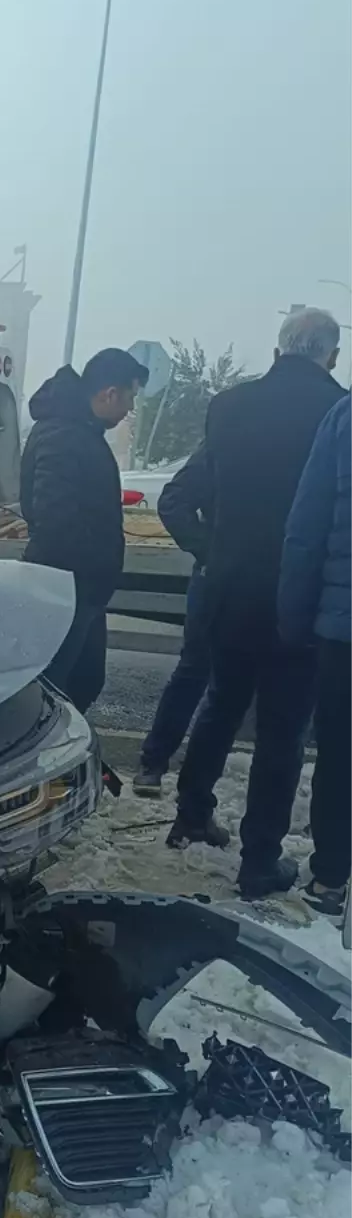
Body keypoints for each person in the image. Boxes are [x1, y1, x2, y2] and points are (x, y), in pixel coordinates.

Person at [168, 308, 344, 898]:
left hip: (228, 585)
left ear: (277, 349)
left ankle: (191, 811)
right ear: (332, 354)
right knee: (282, 730)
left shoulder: (229, 406)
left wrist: (211, 553)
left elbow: (205, 489)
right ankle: (260, 858)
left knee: (221, 701)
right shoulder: (337, 413)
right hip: (299, 594)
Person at [20, 348, 149, 712]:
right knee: (52, 690)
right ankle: (47, 760)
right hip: (65, 587)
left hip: (84, 588)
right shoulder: (63, 435)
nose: (129, 409)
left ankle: (68, 753)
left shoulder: (81, 431)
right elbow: (54, 520)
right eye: (130, 398)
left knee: (85, 680)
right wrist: (90, 567)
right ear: (109, 393)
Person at [278, 391, 352, 916]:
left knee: (342, 753)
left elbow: (306, 529)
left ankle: (330, 879)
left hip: (345, 628)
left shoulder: (344, 419)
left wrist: (295, 616)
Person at [133, 446, 216, 798]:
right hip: (227, 575)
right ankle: (155, 764)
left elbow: (173, 501)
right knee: (198, 672)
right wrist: (209, 549)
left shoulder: (232, 424)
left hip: (225, 575)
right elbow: (173, 501)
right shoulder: (324, 422)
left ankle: (157, 768)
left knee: (201, 674)